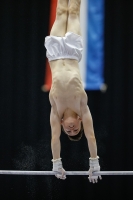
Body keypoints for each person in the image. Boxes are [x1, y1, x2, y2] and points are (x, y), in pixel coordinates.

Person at [45, 0, 101, 183]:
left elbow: (54, 138)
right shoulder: (82, 107)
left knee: (61, 10)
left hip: (54, 54)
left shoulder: (55, 110)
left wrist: (56, 163)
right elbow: (91, 136)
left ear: (62, 125)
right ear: (79, 121)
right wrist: (94, 164)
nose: (71, 129)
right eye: (76, 129)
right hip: (71, 52)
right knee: (74, 11)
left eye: (68, 131)